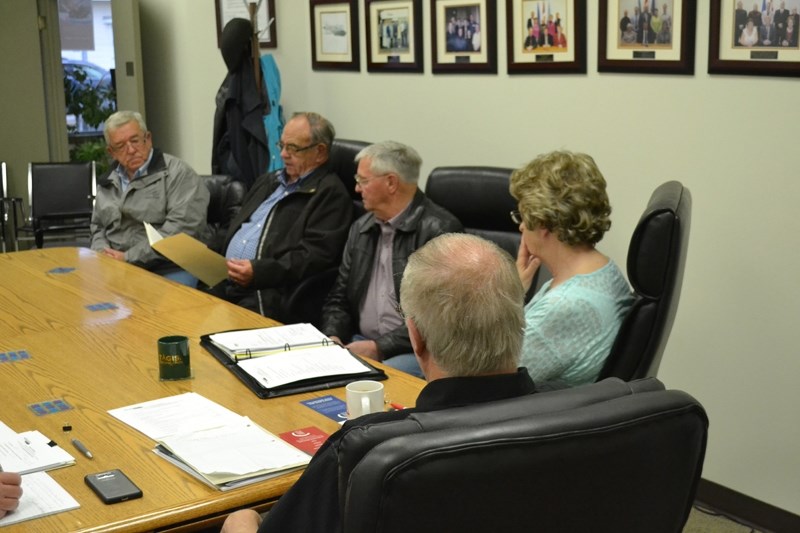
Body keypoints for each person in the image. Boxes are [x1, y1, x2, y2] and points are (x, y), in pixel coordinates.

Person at [221, 233, 535, 533]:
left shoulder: (363, 450)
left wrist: (241, 521)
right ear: (519, 320)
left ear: (415, 337)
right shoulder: (579, 419)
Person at [320, 141, 462, 378]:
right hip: (359, 343)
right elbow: (340, 295)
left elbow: (440, 317)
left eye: (362, 181)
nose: (357, 189)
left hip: (416, 351)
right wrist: (333, 336)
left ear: (391, 183)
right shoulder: (361, 228)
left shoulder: (439, 231)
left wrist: (379, 347)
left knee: (366, 382)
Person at [207, 112, 352, 322]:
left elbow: (312, 257)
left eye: (292, 148)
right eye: (281, 145)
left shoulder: (330, 195)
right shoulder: (269, 181)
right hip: (224, 279)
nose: (283, 154)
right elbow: (237, 224)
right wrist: (206, 251)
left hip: (265, 293)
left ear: (320, 152)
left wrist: (259, 271)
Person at [510, 150, 634, 388]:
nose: (522, 227)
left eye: (523, 216)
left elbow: (486, 382)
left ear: (544, 223)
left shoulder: (565, 306)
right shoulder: (603, 269)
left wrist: (507, 298)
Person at [91, 110, 210, 287]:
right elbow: (98, 226)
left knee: (156, 311)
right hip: (117, 266)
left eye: (135, 140)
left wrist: (128, 257)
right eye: (121, 146)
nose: (130, 150)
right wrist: (102, 253)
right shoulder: (108, 181)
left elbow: (179, 233)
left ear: (148, 138)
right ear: (111, 152)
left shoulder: (178, 173)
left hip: (169, 266)